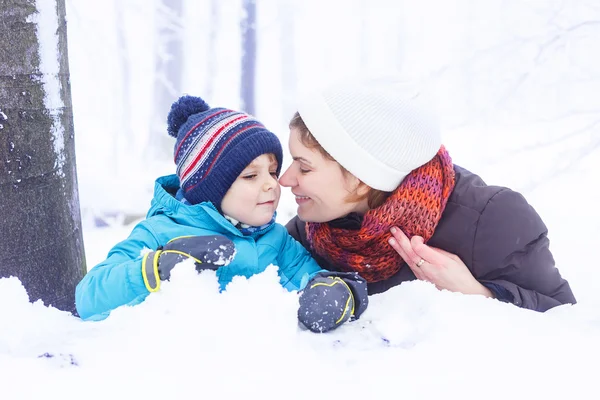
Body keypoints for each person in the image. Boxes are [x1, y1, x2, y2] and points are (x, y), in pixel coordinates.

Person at [280, 78, 576, 312]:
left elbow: (564, 321)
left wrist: (479, 296)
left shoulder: (492, 219)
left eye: (304, 168)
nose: (285, 179)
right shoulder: (315, 227)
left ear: (361, 177)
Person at [75, 95, 368, 331]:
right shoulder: (159, 232)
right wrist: (155, 268)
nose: (272, 184)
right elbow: (89, 299)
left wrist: (341, 292)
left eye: (273, 171)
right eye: (251, 176)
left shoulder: (276, 241)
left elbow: (315, 281)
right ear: (210, 189)